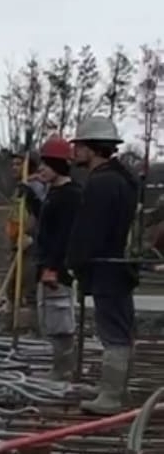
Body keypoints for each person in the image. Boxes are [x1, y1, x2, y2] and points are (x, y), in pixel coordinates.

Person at [65, 113, 139, 414]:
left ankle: (111, 397)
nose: (75, 151)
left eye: (79, 145)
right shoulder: (122, 179)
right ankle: (118, 389)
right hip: (118, 265)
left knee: (114, 333)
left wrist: (75, 262)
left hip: (105, 268)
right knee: (121, 328)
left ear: (93, 148)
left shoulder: (102, 183)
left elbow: (89, 229)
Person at [29, 135, 81, 379]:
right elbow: (45, 224)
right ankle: (59, 367)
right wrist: (32, 199)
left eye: (46, 165)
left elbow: (64, 236)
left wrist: (53, 266)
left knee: (60, 320)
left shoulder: (70, 196)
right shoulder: (54, 193)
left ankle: (63, 370)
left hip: (58, 268)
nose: (41, 169)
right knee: (50, 319)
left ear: (59, 166)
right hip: (46, 264)